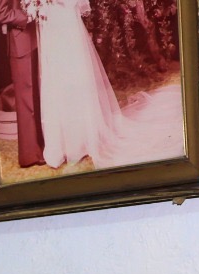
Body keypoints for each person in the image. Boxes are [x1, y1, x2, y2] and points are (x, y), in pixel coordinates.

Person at [30, 0, 149, 169]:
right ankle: (59, 144)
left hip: (64, 20)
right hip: (49, 21)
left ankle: (78, 142)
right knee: (55, 78)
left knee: (70, 76)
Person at [0, 0, 44, 168]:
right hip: (20, 42)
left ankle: (41, 147)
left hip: (35, 38)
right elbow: (0, 13)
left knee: (36, 98)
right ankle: (29, 155)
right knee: (26, 102)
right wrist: (26, 16)